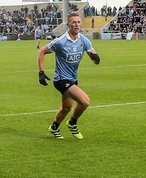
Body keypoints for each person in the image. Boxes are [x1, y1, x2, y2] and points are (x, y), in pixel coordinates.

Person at [37, 12, 100, 140]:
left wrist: (95, 58)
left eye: (78, 22)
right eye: (74, 22)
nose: (77, 25)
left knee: (66, 107)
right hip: (61, 79)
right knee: (85, 102)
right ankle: (72, 123)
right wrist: (41, 72)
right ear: (68, 25)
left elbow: (93, 55)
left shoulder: (83, 40)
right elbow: (41, 51)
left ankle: (54, 127)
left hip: (72, 79)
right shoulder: (60, 42)